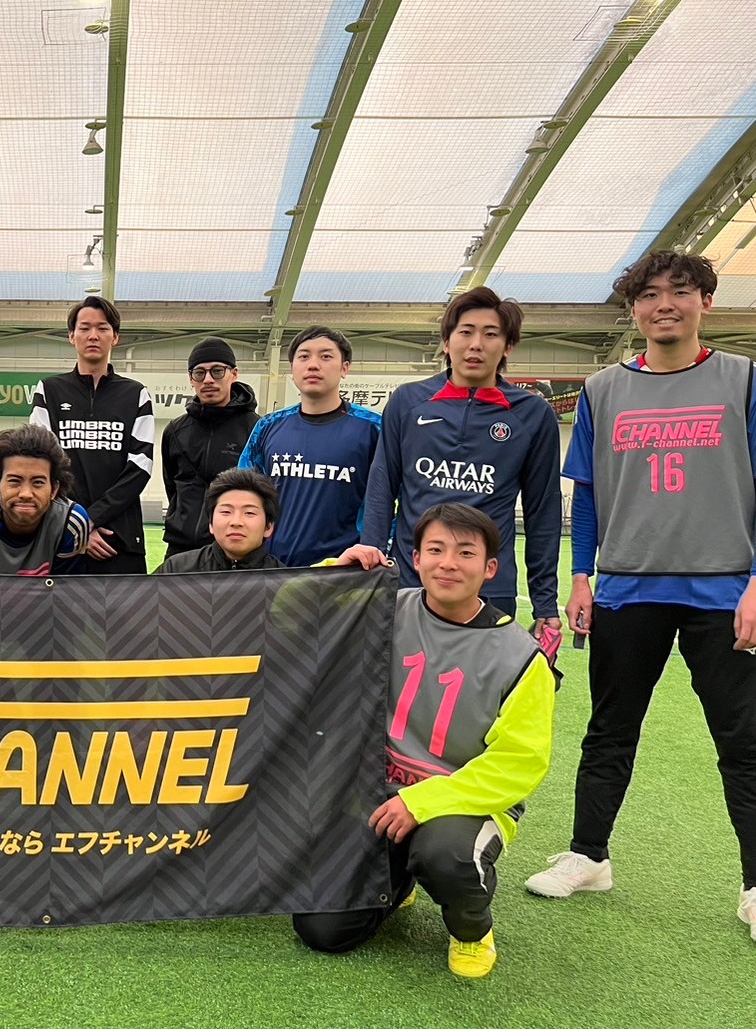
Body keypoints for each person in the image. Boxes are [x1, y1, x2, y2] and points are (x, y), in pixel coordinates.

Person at [523, 252, 756, 942]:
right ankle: (589, 857)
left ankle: (754, 884)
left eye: (679, 292)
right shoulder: (601, 390)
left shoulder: (743, 380)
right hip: (626, 589)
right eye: (648, 295)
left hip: (723, 589)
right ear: (633, 310)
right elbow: (589, 493)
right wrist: (582, 576)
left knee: (742, 742)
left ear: (705, 301)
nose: (664, 305)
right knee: (609, 730)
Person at [297, 503, 557, 978]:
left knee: (444, 854)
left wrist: (422, 801)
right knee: (322, 930)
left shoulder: (521, 657)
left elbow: (519, 763)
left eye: (465, 553)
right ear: (415, 559)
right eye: (435, 550)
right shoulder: (384, 608)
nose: (448, 564)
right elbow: (287, 614)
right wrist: (336, 571)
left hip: (465, 804)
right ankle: (399, 880)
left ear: (490, 568)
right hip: (379, 796)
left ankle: (472, 929)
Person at [345, 286, 562, 632]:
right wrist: (370, 556)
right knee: (401, 668)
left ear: (507, 346)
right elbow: (382, 486)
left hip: (490, 586)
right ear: (446, 342)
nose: (476, 344)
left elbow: (543, 510)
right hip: (411, 581)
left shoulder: (533, 414)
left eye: (490, 334)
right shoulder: (407, 402)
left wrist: (545, 602)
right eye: (465, 332)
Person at [30, 296, 155, 575]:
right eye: (85, 328)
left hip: (119, 540)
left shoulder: (136, 394)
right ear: (71, 336)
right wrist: (74, 524)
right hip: (62, 536)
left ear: (115, 337)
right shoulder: (49, 391)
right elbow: (41, 467)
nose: (93, 335)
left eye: (102, 328)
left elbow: (140, 467)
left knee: (128, 607)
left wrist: (89, 520)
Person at [241, 327, 380, 566]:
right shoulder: (268, 426)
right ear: (292, 367)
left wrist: (374, 549)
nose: (313, 365)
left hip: (343, 571)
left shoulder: (375, 428)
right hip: (273, 569)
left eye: (326, 356)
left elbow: (397, 498)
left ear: (344, 368)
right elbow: (242, 492)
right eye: (304, 356)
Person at [160, 337, 260, 560]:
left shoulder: (257, 429)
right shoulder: (175, 431)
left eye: (217, 371)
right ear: (191, 379)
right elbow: (172, 488)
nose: (208, 380)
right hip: (180, 549)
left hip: (232, 551)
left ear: (234, 374)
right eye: (199, 373)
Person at [0, 425, 92, 576]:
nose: (26, 494)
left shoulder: (70, 522)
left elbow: (67, 588)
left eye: (38, 482)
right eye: (14, 481)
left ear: (54, 489)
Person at [155, 468, 282, 574]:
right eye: (226, 512)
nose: (236, 522)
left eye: (249, 513)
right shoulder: (175, 570)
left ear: (268, 526)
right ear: (211, 524)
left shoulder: (283, 582)